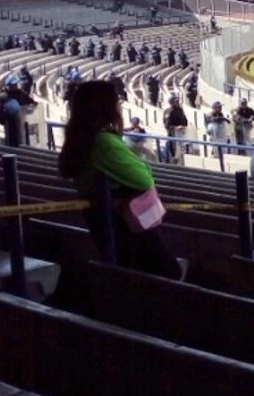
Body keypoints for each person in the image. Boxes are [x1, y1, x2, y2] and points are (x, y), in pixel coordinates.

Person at [56, 80, 182, 279]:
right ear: (104, 107)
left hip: (106, 223)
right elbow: (143, 180)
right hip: (125, 227)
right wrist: (139, 162)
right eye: (116, 101)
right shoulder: (103, 142)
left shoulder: (83, 138)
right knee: (168, 273)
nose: (119, 105)